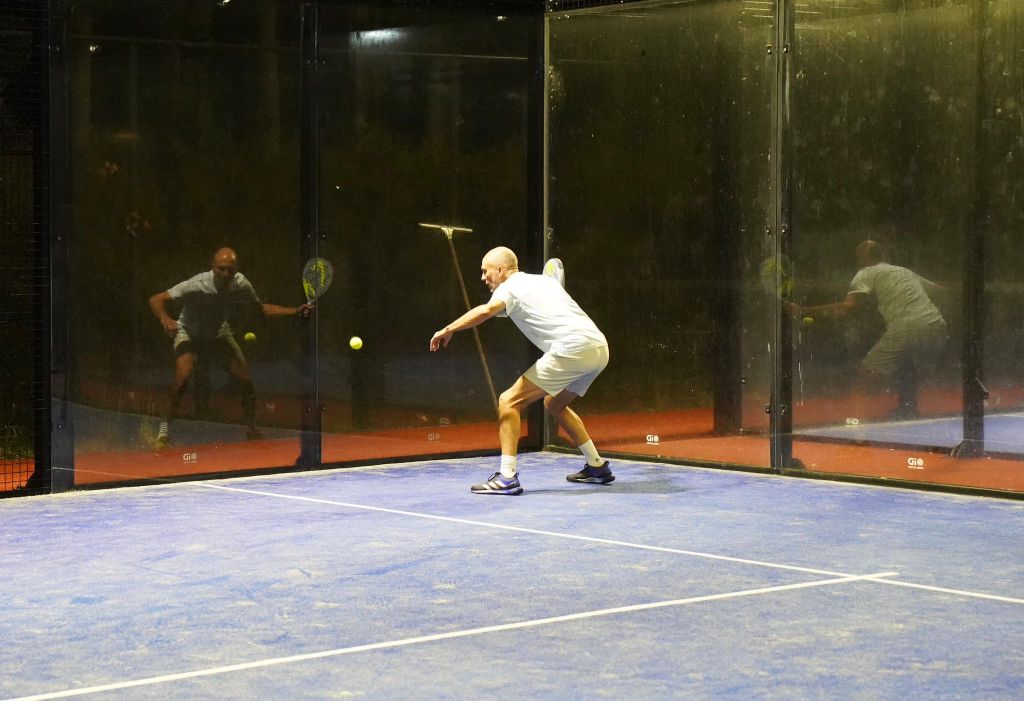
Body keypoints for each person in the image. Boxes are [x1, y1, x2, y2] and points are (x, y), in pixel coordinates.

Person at [430, 247, 613, 495]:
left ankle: (507, 477)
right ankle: (597, 466)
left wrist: (448, 329)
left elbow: (486, 311)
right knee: (554, 403)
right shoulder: (542, 282)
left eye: (485, 271)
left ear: (500, 270)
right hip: (599, 348)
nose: (483, 278)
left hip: (572, 349)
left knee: (509, 401)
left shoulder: (509, 287)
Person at [149, 247, 311, 447]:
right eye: (221, 269)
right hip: (189, 333)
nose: (226, 274)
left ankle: (251, 429)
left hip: (218, 335)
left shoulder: (241, 284)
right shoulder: (196, 284)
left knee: (246, 380)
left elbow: (261, 309)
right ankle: (163, 431)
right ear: (213, 267)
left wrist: (295, 311)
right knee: (183, 378)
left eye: (230, 270)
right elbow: (156, 299)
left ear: (236, 269)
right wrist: (165, 318)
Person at [792, 240, 947, 419]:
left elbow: (847, 308)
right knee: (908, 367)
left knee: (865, 375)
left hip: (906, 326)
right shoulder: (904, 271)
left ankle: (854, 420)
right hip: (936, 324)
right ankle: (908, 409)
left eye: (857, 257)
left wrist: (803, 310)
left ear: (862, 257)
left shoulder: (865, 272)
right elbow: (939, 290)